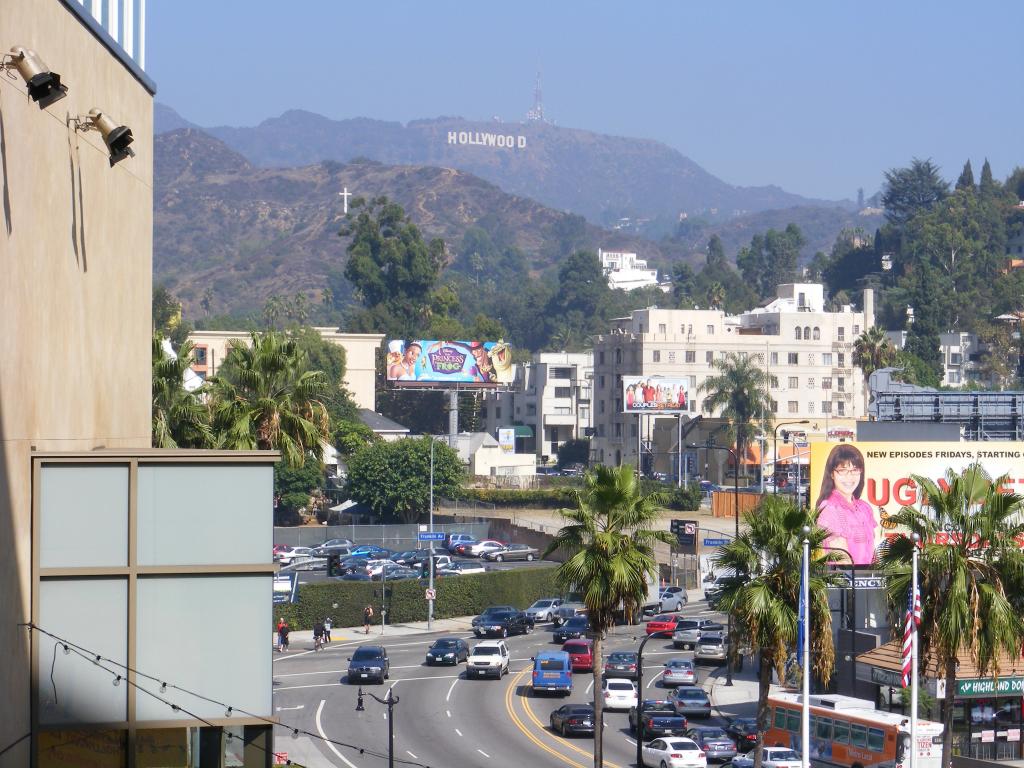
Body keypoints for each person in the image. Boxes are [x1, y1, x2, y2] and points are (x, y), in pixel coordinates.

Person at [815, 444, 877, 565]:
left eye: (855, 470)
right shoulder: (830, 509)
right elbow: (843, 562)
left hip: (868, 575)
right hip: (844, 576)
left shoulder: (864, 508)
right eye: (842, 470)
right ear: (832, 474)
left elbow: (872, 554)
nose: (849, 477)